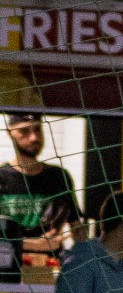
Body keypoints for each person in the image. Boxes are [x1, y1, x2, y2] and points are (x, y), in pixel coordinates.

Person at [1, 113, 81, 280]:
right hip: (7, 271)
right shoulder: (2, 177)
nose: (34, 137)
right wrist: (36, 245)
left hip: (49, 271)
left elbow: (77, 228)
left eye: (37, 129)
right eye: (24, 131)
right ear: (10, 133)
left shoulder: (59, 177)